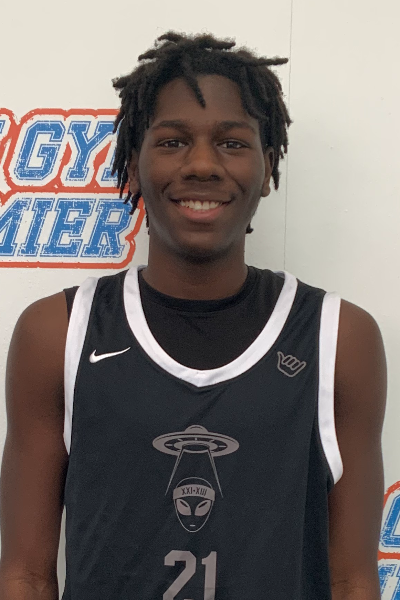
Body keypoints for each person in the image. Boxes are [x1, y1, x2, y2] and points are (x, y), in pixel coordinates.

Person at [0, 31, 387, 600]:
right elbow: (26, 576)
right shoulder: (58, 332)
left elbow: (352, 579)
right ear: (134, 164)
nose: (202, 164)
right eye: (173, 141)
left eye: (231, 142)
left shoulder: (338, 337)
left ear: (268, 166)